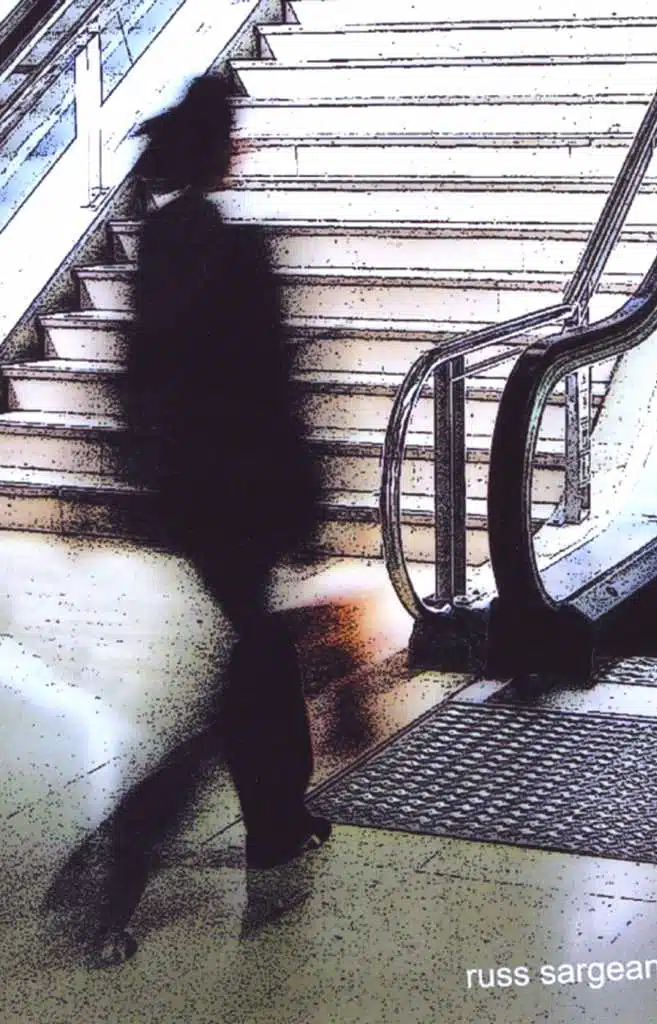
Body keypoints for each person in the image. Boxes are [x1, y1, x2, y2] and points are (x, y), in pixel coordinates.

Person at [89, 73, 330, 965]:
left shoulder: (159, 245)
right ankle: (130, 848)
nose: (242, 146)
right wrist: (306, 496)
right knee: (246, 672)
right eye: (235, 134)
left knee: (260, 654)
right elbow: (274, 388)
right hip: (245, 492)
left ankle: (279, 819)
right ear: (221, 148)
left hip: (191, 493)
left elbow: (138, 376)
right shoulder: (237, 251)